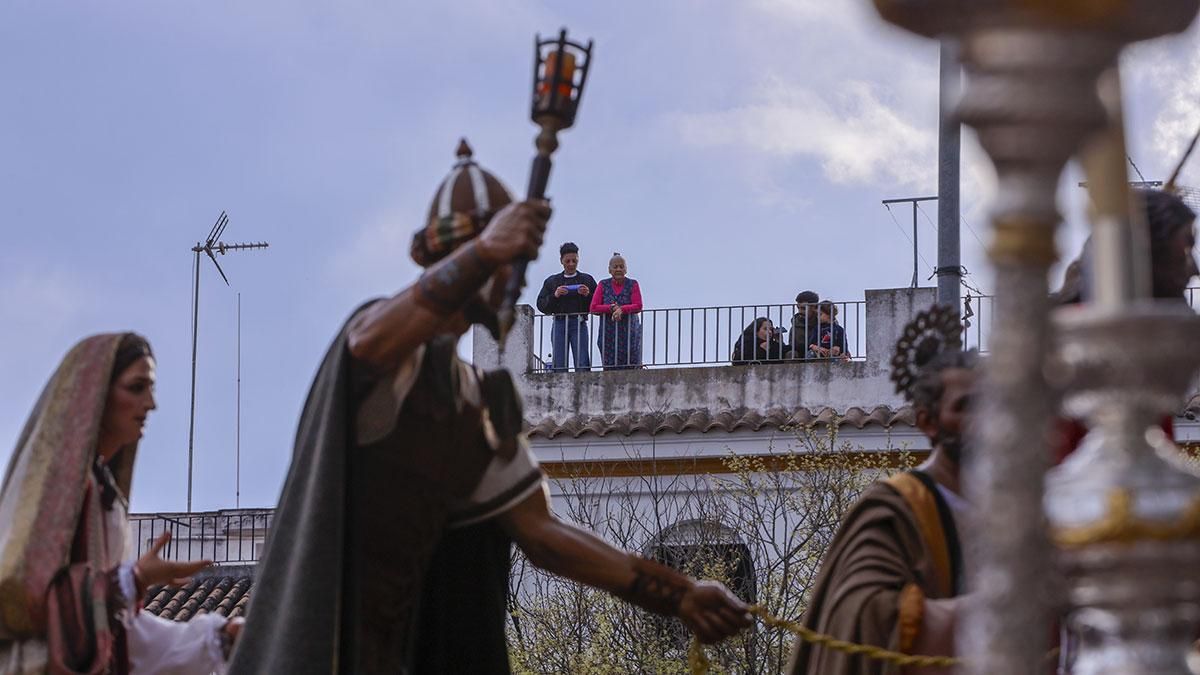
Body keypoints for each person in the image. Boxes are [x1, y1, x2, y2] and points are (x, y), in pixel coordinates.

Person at [228, 141, 750, 674]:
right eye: (508, 260)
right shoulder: (388, 351)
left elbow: (545, 536)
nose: (515, 276)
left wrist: (680, 594)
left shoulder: (482, 404)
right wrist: (485, 253)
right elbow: (367, 345)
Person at [0, 333, 243, 674]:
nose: (151, 404)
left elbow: (122, 634)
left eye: (151, 389)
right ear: (96, 395)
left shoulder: (107, 500)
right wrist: (132, 580)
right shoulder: (58, 492)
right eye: (136, 388)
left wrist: (217, 636)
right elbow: (19, 594)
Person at [788, 305, 976, 674]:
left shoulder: (1021, 505)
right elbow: (864, 619)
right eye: (966, 406)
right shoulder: (894, 510)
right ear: (928, 421)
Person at [536, 241, 597, 372]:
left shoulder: (587, 280)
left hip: (579, 323)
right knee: (559, 362)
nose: (571, 264)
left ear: (578, 259)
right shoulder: (552, 281)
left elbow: (597, 303)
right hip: (559, 323)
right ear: (561, 261)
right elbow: (541, 304)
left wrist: (588, 295)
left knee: (582, 361)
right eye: (567, 261)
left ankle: (584, 388)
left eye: (574, 261)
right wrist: (555, 295)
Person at [590, 252, 644, 371]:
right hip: (608, 335)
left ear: (626, 269)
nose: (618, 269)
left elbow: (638, 305)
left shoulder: (633, 284)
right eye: (615, 267)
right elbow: (593, 307)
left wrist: (622, 309)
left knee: (632, 366)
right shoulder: (603, 284)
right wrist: (611, 308)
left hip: (630, 334)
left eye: (621, 266)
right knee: (610, 369)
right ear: (609, 270)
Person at [787, 290, 820, 359]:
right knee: (791, 354)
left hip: (819, 354)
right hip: (800, 356)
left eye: (803, 308)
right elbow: (791, 346)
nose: (800, 312)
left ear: (814, 307)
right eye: (798, 308)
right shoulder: (795, 326)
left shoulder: (826, 323)